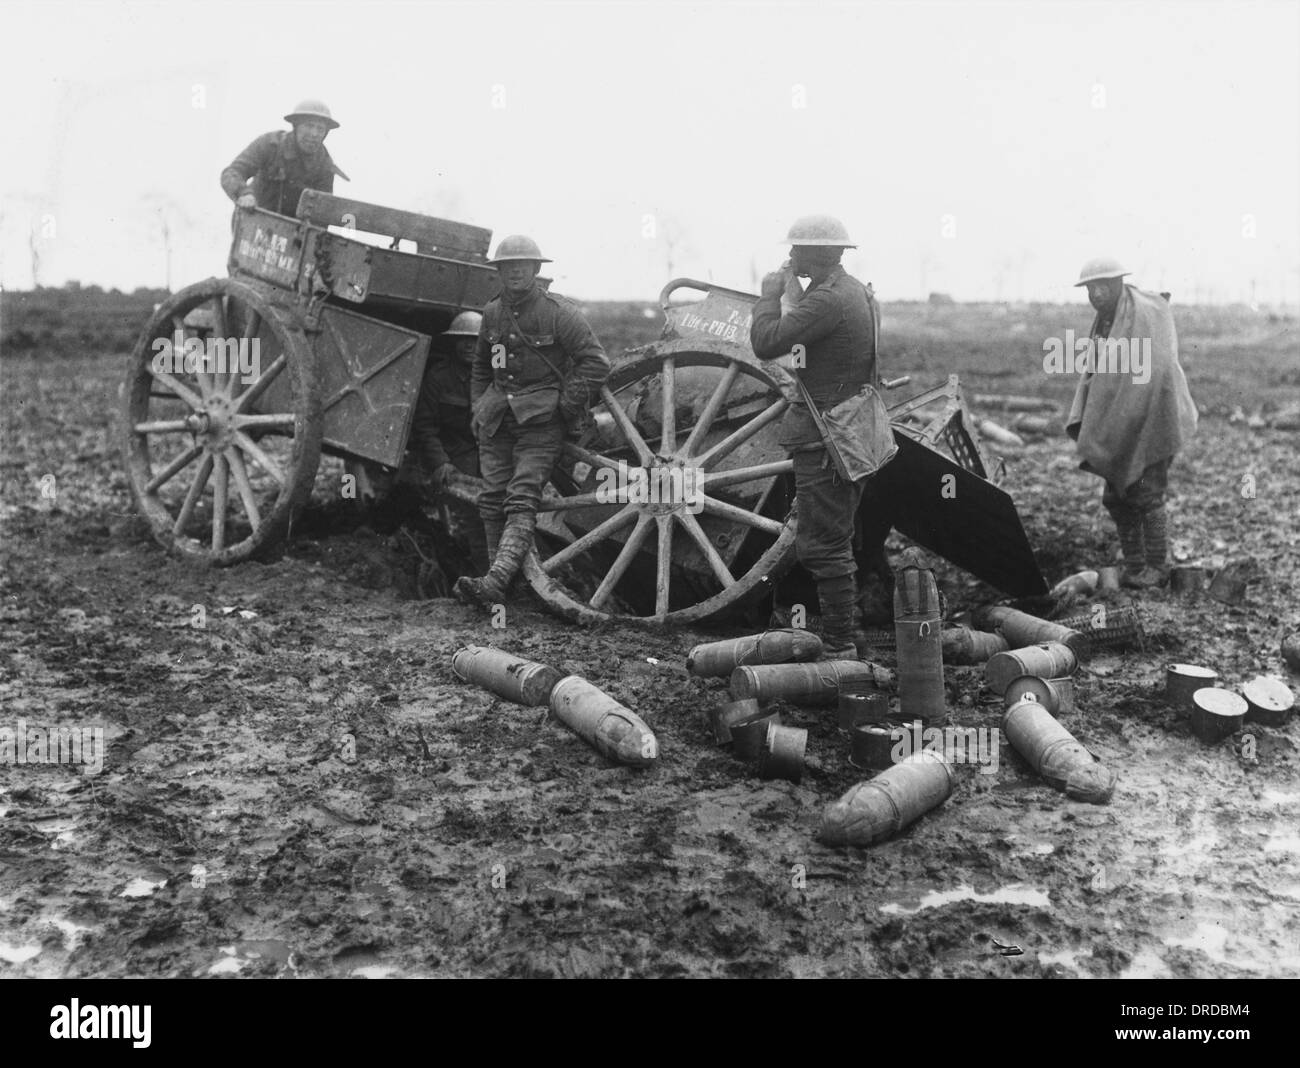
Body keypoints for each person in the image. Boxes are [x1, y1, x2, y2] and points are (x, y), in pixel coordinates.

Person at [750, 215, 897, 658]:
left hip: (825, 436)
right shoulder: (853, 293)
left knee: (823, 543)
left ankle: (839, 645)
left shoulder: (828, 300)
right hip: (850, 429)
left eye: (797, 250)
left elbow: (765, 341)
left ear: (818, 255)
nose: (790, 256)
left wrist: (768, 297)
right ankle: (845, 636)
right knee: (834, 535)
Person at [453, 236, 610, 606]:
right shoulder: (492, 312)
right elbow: (482, 365)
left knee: (521, 495)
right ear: (499, 271)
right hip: (497, 419)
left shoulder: (559, 313)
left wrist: (563, 407)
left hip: (541, 421)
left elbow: (595, 362)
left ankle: (496, 582)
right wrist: (479, 405)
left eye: (523, 265)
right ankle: (500, 585)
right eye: (508, 266)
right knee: (491, 499)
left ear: (537, 270)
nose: (516, 271)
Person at [1066, 257, 1197, 588]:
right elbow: (1098, 375)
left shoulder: (1144, 312)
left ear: (1118, 283)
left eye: (1102, 286)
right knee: (1116, 496)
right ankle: (1134, 565)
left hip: (1153, 418)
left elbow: (1158, 368)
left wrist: (1136, 411)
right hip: (1120, 423)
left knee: (1148, 494)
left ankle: (1157, 566)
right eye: (1090, 289)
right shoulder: (1106, 320)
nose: (1096, 294)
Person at [220, 99, 349, 216]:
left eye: (320, 129)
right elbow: (232, 172)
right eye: (309, 126)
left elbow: (321, 211)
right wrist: (244, 194)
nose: (314, 134)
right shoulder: (270, 144)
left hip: (292, 231)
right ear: (296, 127)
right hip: (255, 218)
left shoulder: (325, 165)